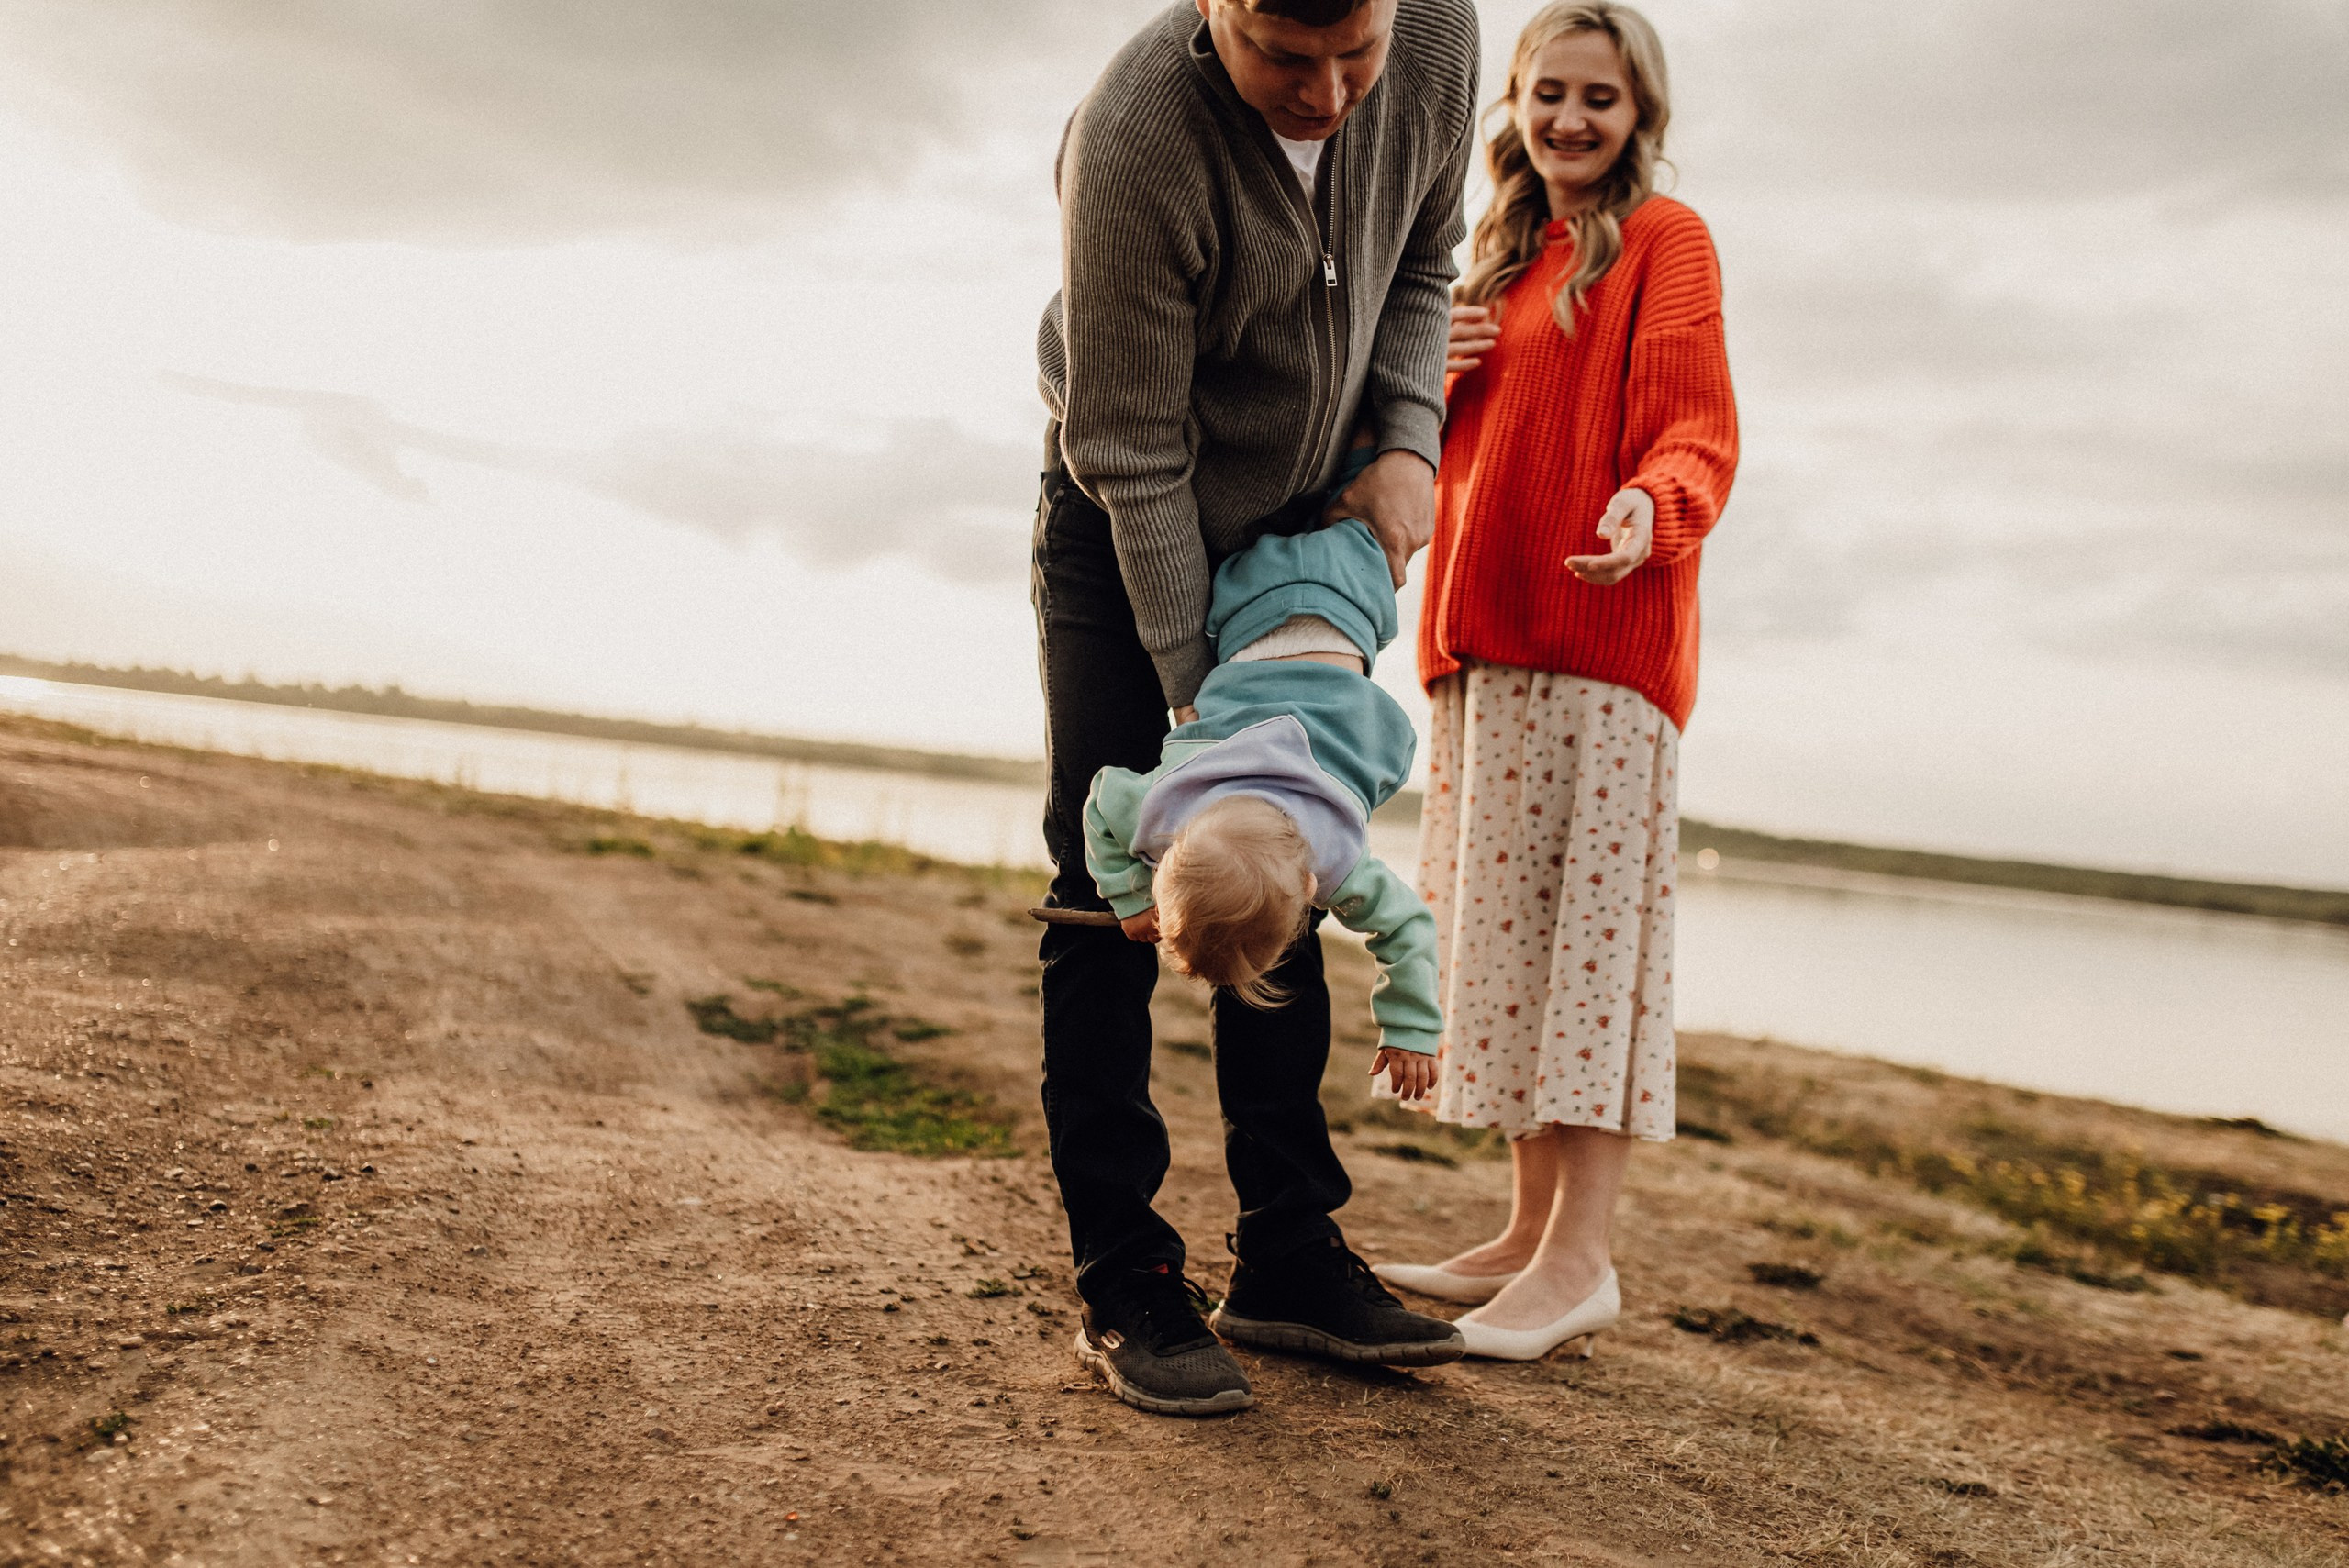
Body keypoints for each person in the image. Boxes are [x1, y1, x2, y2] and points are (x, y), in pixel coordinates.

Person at [1033, 0, 1478, 1415]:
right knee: (1106, 892)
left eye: (1359, 52)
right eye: (1288, 59)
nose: (1335, 93)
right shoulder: (1137, 142)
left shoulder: (1440, 35)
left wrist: (1408, 440)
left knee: (1297, 847)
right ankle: (1127, 1278)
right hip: (1131, 522)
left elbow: (1423, 259)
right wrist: (1210, 721)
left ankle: (1286, 1249)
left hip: (1310, 529)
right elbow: (1128, 448)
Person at [1369, 1, 1739, 1362]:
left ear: (1640, 116)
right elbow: (1430, 443)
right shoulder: (1495, 259)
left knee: (1592, 961)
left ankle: (1582, 1260)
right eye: (1549, 95)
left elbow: (1698, 423)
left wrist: (1655, 504)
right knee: (1504, 952)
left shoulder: (1663, 242)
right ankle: (1523, 1236)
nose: (1573, 121)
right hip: (1483, 649)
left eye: (1603, 99)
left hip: (1603, 650)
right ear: (1513, 106)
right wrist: (1430, 377)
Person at [1082, 481, 1442, 1102]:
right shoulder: (1169, 806)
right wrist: (1130, 892)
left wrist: (1412, 1028)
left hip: (1354, 586)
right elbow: (1104, 795)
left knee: (1357, 490)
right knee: (1325, 466)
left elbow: (1409, 928)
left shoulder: (1335, 858)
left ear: (1310, 890)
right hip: (1247, 589)